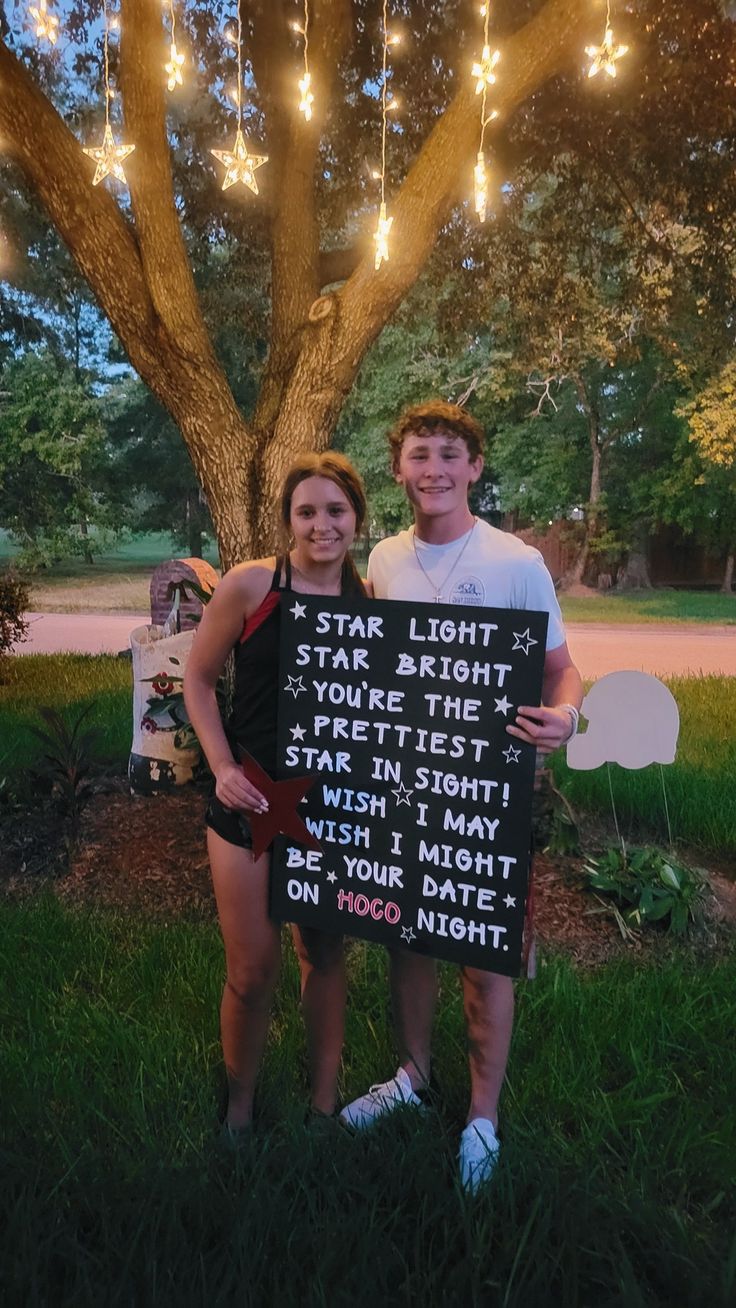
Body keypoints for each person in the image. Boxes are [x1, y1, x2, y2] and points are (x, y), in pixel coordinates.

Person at [338, 401, 583, 1193]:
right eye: (419, 455)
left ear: (475, 467)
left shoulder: (516, 561)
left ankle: (482, 1117)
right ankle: (411, 1079)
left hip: (491, 790)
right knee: (406, 931)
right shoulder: (382, 557)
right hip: (407, 781)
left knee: (486, 955)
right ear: (400, 469)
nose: (434, 468)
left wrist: (565, 718)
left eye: (450, 454)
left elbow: (559, 669)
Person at [184, 452, 367, 1137]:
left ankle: (323, 1107)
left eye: (336, 510)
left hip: (331, 813)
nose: (322, 525)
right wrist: (222, 766)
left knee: (324, 954)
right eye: (307, 512)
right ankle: (238, 1110)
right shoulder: (251, 585)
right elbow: (199, 683)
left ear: (357, 517)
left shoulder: (369, 600)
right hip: (248, 803)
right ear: (288, 520)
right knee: (252, 969)